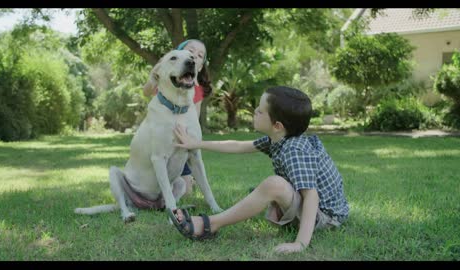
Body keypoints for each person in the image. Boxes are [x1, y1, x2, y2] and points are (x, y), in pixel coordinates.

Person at [169, 86, 349, 254]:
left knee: (274, 185)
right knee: (266, 188)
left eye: (260, 111)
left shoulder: (295, 151)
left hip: (326, 218)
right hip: (317, 210)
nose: (255, 111)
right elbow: (238, 146)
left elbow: (311, 196)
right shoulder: (279, 138)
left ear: (277, 125)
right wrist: (195, 143)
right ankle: (255, 203)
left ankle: (211, 224)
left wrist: (300, 243)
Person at [143, 39, 213, 194]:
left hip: (181, 146)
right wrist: (157, 69)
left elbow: (192, 122)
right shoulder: (166, 80)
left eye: (199, 55)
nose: (194, 56)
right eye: (190, 51)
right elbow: (146, 91)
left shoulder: (196, 92)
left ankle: (187, 179)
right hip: (161, 140)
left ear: (199, 67)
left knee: (185, 190)